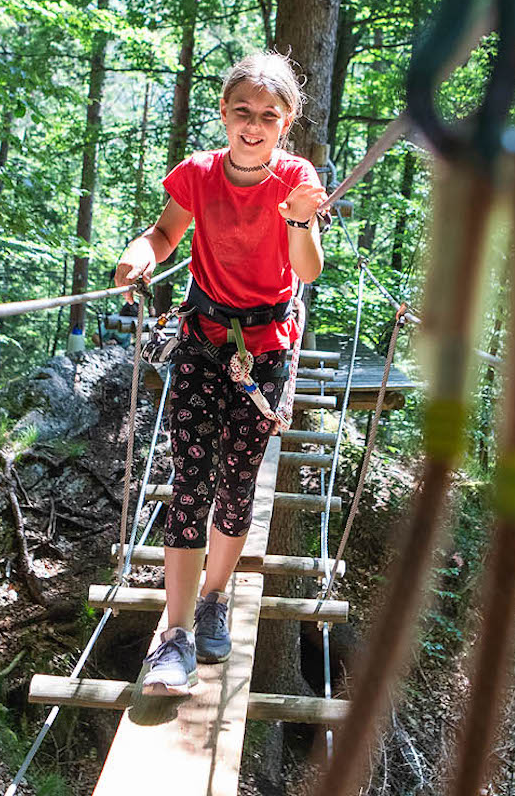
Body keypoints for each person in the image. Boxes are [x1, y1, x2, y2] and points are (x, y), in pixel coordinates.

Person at [113, 51, 326, 696]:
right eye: (242, 112)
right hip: (203, 341)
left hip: (267, 352)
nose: (253, 125)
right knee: (190, 482)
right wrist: (138, 255)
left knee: (236, 489)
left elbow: (309, 270)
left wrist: (298, 217)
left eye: (268, 115)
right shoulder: (199, 175)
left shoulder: (295, 179)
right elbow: (164, 233)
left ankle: (214, 596)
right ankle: (174, 636)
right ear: (224, 115)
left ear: (286, 122)